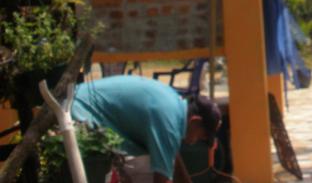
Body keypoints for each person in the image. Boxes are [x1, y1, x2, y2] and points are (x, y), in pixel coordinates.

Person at [71, 75, 222, 183]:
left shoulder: (174, 108)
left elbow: (172, 158)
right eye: (202, 136)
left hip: (79, 104)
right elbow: (162, 179)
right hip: (79, 113)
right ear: (195, 121)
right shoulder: (169, 122)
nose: (197, 141)